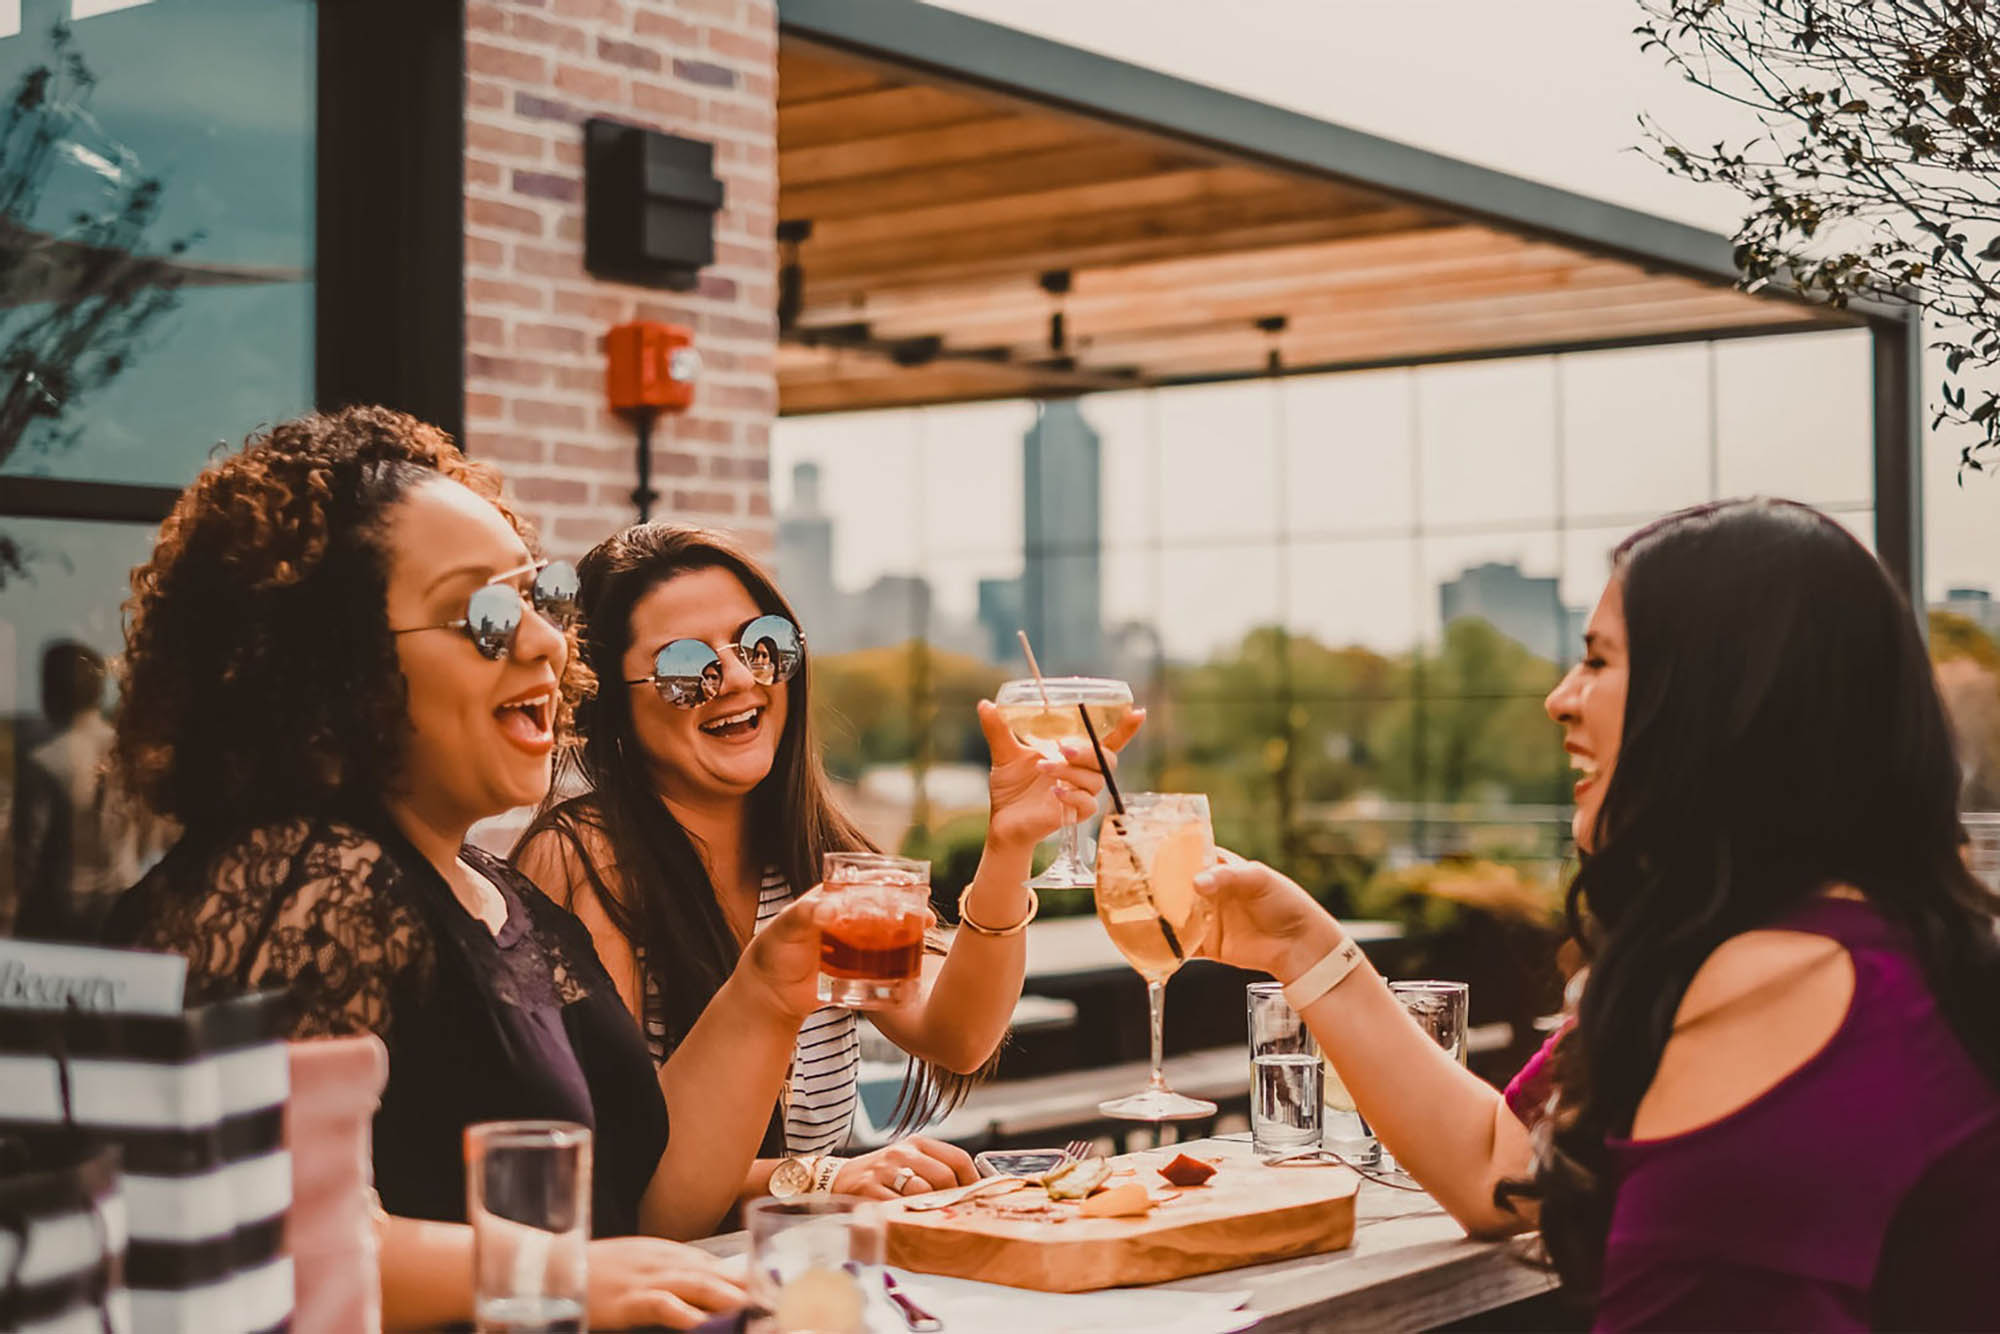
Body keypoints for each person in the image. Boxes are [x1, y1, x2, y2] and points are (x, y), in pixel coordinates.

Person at [1191, 498, 2000, 1330]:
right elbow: (1493, 1165)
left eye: (1599, 661)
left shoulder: (1776, 991)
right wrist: (1302, 944)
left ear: (1716, 701)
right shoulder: (1841, 949)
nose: (1559, 699)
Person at [103, 407, 828, 1329]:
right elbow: (240, 1234)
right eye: (482, 614)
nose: (544, 642)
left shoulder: (496, 890)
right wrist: (561, 1273)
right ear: (334, 669)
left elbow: (646, 1211)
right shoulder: (300, 882)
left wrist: (766, 991)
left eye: (535, 597)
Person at [514, 523, 1139, 1202]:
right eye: (685, 668)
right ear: (612, 705)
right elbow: (614, 1168)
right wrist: (822, 1176)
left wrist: (1010, 846)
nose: (739, 678)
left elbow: (956, 1034)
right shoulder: (586, 861)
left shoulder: (811, 858)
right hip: (672, 1284)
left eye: (764, 645)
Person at [11, 641, 164, 941]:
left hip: (60, 911)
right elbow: (152, 837)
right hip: (124, 900)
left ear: (50, 689)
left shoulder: (45, 760)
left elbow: (27, 854)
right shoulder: (132, 751)